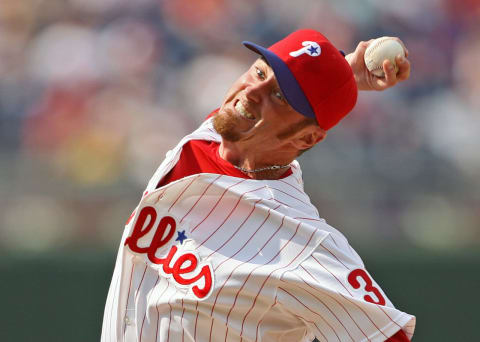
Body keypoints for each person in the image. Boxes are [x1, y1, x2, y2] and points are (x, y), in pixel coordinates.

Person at [101, 29, 414, 342]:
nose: (252, 91)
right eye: (260, 70)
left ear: (306, 138)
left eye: (278, 96)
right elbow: (272, 104)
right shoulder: (211, 136)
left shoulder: (304, 245)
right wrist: (345, 73)